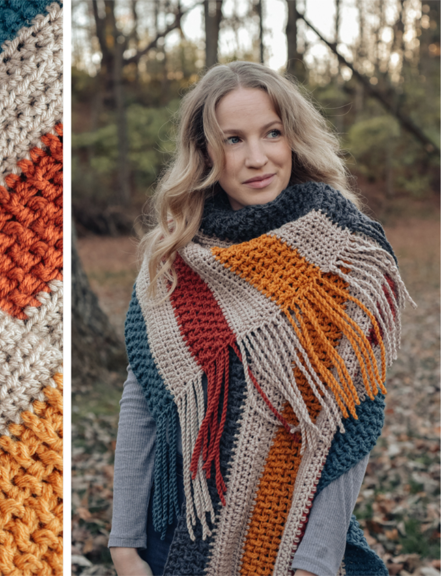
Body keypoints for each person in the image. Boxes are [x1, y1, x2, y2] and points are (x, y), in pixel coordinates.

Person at [108, 61, 410, 576]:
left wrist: (313, 562)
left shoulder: (346, 254)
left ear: (293, 137)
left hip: (290, 541)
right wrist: (124, 543)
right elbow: (142, 397)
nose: (257, 158)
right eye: (233, 139)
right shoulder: (175, 254)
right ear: (205, 152)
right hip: (173, 536)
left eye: (272, 133)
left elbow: (353, 420)